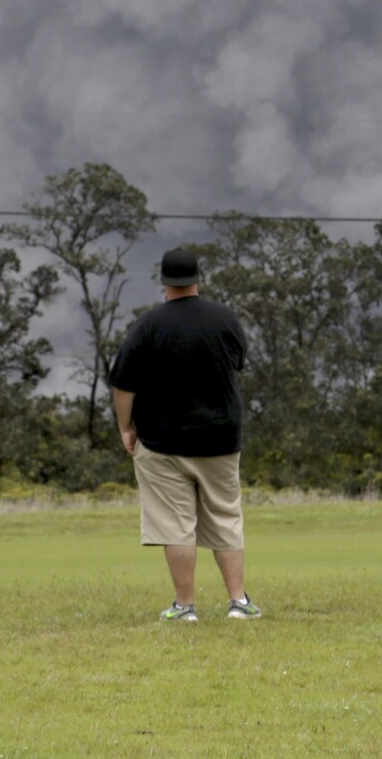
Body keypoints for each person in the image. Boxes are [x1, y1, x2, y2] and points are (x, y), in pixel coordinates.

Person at [109, 247, 261, 623]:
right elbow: (238, 362)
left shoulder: (148, 324)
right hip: (220, 438)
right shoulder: (224, 317)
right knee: (225, 517)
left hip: (162, 441)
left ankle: (185, 607)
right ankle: (238, 602)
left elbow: (123, 385)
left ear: (163, 281)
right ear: (197, 278)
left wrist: (125, 428)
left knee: (175, 524)